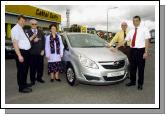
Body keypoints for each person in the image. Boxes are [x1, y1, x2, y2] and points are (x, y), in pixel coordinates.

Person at [113, 16, 150, 90]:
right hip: (132, 50)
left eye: (136, 20)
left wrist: (146, 52)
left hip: (140, 50)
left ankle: (140, 84)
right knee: (132, 67)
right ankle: (132, 81)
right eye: (133, 21)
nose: (135, 22)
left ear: (139, 21)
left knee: (141, 69)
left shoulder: (144, 29)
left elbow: (147, 41)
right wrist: (116, 47)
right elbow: (124, 41)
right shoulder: (131, 31)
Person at [11, 15, 32, 93]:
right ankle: (21, 88)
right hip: (21, 52)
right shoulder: (15, 29)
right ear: (18, 21)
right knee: (21, 70)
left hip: (26, 52)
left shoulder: (21, 29)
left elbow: (24, 41)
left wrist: (32, 38)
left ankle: (24, 83)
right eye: (21, 21)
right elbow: (15, 43)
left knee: (25, 70)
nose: (23, 22)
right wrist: (19, 55)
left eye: (24, 21)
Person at [26, 19, 45, 85]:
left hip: (40, 53)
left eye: (35, 24)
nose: (34, 25)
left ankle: (39, 78)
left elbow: (43, 41)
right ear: (30, 24)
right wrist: (33, 41)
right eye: (32, 24)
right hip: (32, 53)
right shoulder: (27, 32)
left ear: (37, 25)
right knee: (32, 67)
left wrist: (43, 50)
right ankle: (32, 80)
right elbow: (26, 43)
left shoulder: (41, 31)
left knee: (40, 67)